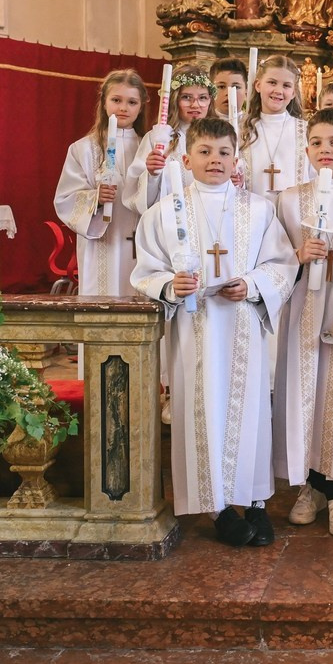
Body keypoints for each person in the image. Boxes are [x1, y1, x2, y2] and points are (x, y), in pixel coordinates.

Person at [131, 117, 297, 546]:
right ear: (186, 159)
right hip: (195, 331)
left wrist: (254, 284)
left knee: (251, 412)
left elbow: (281, 263)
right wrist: (170, 284)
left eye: (224, 152)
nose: (215, 160)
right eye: (205, 152)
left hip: (243, 327)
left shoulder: (258, 209)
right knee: (201, 410)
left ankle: (256, 501)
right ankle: (218, 505)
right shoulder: (163, 213)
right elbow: (145, 270)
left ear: (236, 159)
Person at [274, 110, 333, 536]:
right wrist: (297, 257)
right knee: (304, 395)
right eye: (316, 142)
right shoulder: (290, 199)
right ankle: (309, 485)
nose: (325, 150)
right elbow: (272, 260)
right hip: (303, 310)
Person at [54, 70, 147, 297]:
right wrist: (95, 198)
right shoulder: (82, 149)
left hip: (141, 244)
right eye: (116, 100)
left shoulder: (148, 147)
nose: (123, 108)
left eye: (131, 102)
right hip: (102, 244)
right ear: (104, 102)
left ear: (141, 106)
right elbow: (65, 198)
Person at [124, 65, 215, 215]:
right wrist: (152, 175)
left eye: (202, 98)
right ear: (174, 100)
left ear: (210, 100)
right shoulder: (158, 138)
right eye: (186, 97)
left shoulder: (219, 137)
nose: (195, 105)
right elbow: (137, 196)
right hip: (170, 221)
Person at [239, 55, 311, 200]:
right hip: (253, 213)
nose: (278, 90)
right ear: (258, 85)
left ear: (293, 93)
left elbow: (315, 175)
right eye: (272, 82)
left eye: (286, 85)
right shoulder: (241, 130)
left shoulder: (307, 130)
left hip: (295, 213)